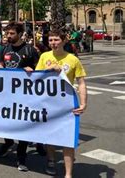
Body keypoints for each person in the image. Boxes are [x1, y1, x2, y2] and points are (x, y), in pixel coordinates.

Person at [35, 30, 87, 178]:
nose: (53, 43)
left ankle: (68, 174)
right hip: (48, 103)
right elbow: (36, 77)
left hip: (67, 105)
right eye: (50, 40)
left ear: (63, 41)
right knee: (50, 136)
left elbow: (81, 83)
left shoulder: (73, 59)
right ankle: (51, 161)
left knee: (67, 139)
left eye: (56, 40)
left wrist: (83, 103)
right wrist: (49, 69)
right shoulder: (44, 56)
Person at [0, 23, 44, 172]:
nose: (8, 36)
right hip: (7, 94)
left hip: (25, 95)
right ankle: (8, 142)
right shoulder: (4, 48)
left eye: (11, 33)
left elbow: (41, 71)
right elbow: (1, 63)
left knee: (23, 126)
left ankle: (21, 157)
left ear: (19, 33)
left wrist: (33, 70)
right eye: (7, 33)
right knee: (5, 122)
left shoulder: (30, 50)